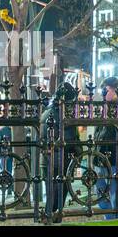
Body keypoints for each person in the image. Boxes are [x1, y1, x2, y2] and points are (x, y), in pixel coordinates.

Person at [94, 77, 118, 219]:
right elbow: (99, 131)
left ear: (114, 89)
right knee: (101, 197)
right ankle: (111, 220)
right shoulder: (105, 106)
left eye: (105, 90)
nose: (103, 94)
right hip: (101, 159)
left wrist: (114, 104)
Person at [39, 83, 79, 221]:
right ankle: (50, 217)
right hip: (59, 159)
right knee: (58, 193)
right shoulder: (59, 114)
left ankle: (50, 217)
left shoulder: (47, 111)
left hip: (48, 159)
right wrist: (78, 150)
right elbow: (67, 139)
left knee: (52, 193)